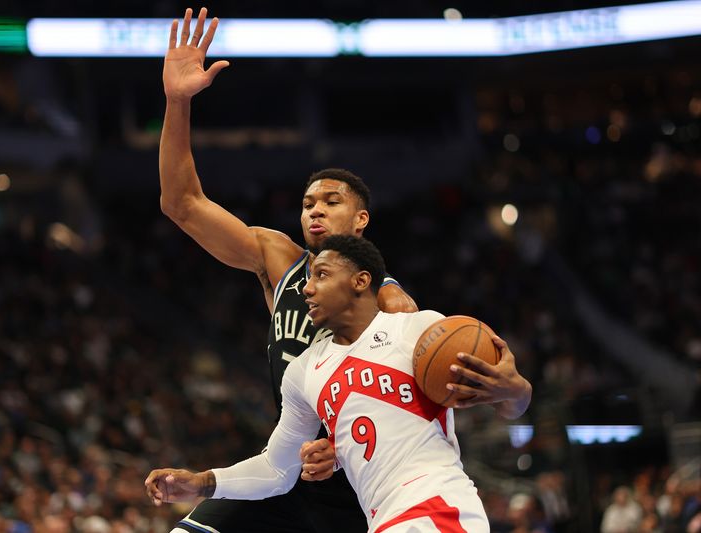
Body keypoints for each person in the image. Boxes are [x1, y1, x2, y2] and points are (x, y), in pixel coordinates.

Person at [157, 7, 532, 532]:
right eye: (307, 201)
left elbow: (427, 400)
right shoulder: (277, 260)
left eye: (330, 201)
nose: (313, 209)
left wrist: (513, 391)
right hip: (287, 471)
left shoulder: (394, 308)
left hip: (363, 487)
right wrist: (177, 102)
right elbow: (182, 202)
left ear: (360, 220)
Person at [146, 235, 524, 532]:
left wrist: (515, 391)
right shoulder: (305, 371)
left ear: (360, 281)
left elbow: (510, 402)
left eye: (321, 275)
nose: (307, 288)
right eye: (308, 278)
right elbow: (277, 470)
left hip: (436, 503)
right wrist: (202, 483)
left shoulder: (419, 330)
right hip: (383, 518)